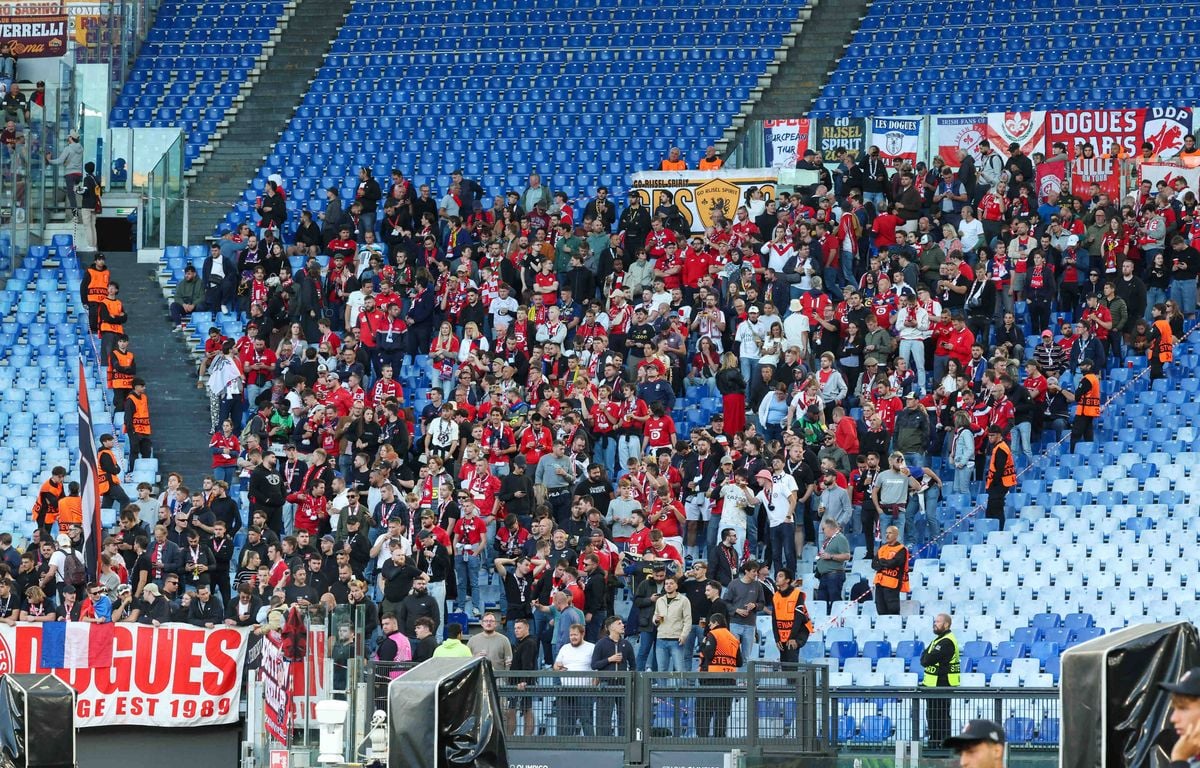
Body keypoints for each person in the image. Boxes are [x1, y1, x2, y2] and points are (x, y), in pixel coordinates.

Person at [696, 612, 742, 738]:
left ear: (716, 623)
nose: (709, 627)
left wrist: (703, 644)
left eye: (710, 624)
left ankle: (702, 739)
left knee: (704, 711)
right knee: (722, 712)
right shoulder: (734, 638)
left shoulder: (713, 634)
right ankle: (720, 738)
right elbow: (739, 662)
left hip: (711, 678)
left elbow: (709, 655)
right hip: (729, 679)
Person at [591, 615, 635, 738]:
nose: (623, 625)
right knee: (604, 717)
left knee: (624, 716)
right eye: (619, 623)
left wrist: (630, 680)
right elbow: (594, 664)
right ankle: (604, 741)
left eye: (622, 623)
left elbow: (633, 665)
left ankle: (624, 741)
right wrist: (609, 659)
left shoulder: (626, 644)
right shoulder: (601, 644)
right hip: (606, 684)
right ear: (611, 627)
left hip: (623, 685)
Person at [921, 612, 960, 746]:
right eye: (935, 621)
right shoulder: (938, 640)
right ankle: (934, 742)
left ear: (946, 624)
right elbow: (924, 657)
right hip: (932, 685)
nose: (935, 624)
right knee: (933, 716)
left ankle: (941, 745)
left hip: (942, 684)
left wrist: (926, 656)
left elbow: (927, 660)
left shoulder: (947, 641)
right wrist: (926, 656)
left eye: (938, 622)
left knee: (940, 717)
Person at [552, 623, 596, 736]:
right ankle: (566, 744)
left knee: (586, 720)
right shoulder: (565, 648)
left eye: (575, 635)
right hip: (566, 690)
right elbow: (556, 665)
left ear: (582, 634)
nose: (573, 637)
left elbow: (596, 668)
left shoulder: (592, 647)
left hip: (585, 690)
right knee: (566, 722)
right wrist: (557, 667)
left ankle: (591, 744)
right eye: (571, 635)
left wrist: (594, 686)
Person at [1159, 667, 1200, 768]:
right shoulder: (1192, 758)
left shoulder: (1182, 757)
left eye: (1183, 708)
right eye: (1174, 708)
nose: (1173, 718)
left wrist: (1179, 759)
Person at [506, 618, 540, 736]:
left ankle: (521, 738)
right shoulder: (522, 643)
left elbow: (528, 663)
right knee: (522, 709)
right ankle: (520, 737)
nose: (516, 630)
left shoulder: (529, 643)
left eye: (519, 628)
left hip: (522, 683)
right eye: (515, 628)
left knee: (523, 710)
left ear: (527, 628)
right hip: (519, 682)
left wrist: (524, 681)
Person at [771, 568, 813, 664]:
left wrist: (792, 638)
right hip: (783, 631)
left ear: (787, 580)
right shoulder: (776, 596)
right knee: (784, 662)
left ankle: (794, 675)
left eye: (780, 576)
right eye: (776, 576)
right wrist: (777, 639)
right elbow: (774, 619)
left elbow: (798, 618)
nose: (777, 578)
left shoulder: (797, 594)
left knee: (791, 658)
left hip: (799, 631)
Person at [45, 130, 83, 222]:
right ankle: (76, 215)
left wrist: (49, 161)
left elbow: (60, 161)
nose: (67, 138)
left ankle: (75, 216)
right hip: (78, 175)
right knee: (74, 194)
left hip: (70, 174)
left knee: (71, 196)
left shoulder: (68, 148)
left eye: (69, 137)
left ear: (71, 138)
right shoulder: (81, 148)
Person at [813, 517, 850, 610]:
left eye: (824, 529)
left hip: (834, 575)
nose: (823, 531)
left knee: (835, 601)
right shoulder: (829, 540)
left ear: (830, 527)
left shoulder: (840, 538)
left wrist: (831, 556)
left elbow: (847, 556)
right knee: (821, 603)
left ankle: (837, 617)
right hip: (824, 576)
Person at [872, 525, 910, 615]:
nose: (887, 535)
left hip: (892, 584)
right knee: (880, 609)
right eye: (886, 533)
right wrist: (886, 563)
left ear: (896, 535)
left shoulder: (901, 549)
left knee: (892, 610)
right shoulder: (882, 548)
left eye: (890, 533)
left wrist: (882, 562)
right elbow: (874, 564)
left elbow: (894, 563)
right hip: (879, 583)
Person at [984, 426, 1015, 530]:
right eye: (989, 435)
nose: (990, 438)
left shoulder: (1001, 448)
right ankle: (995, 530)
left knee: (996, 510)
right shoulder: (999, 447)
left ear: (999, 435)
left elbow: (999, 470)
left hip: (1000, 484)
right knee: (993, 509)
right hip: (1000, 483)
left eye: (992, 435)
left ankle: (999, 531)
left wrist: (993, 484)